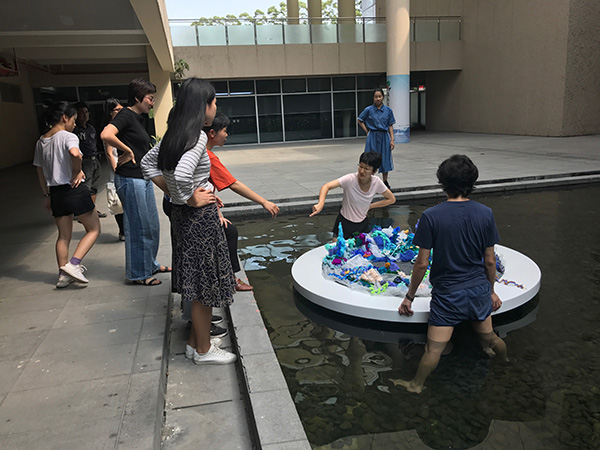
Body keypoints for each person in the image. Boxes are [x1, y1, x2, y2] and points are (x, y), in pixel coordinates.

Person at [141, 77, 237, 365]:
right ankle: (204, 351)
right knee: (205, 286)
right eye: (214, 102)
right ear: (203, 105)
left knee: (196, 283)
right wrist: (189, 198)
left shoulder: (175, 134)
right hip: (199, 219)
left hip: (184, 219)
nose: (215, 107)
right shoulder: (196, 138)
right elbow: (182, 175)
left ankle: (196, 344)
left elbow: (147, 163)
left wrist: (175, 195)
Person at [396, 154, 508, 393]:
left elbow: (421, 264)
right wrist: (491, 291)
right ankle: (506, 364)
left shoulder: (431, 216)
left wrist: (409, 296)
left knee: (434, 349)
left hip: (447, 295)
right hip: (478, 291)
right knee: (490, 339)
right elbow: (490, 261)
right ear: (472, 181)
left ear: (442, 182)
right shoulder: (485, 213)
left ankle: (416, 385)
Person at [100, 78, 171, 286]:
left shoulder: (140, 118)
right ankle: (139, 274)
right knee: (139, 228)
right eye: (150, 98)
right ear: (138, 97)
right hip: (130, 179)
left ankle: (150, 264)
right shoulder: (126, 114)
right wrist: (127, 151)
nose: (152, 102)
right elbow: (106, 134)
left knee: (152, 226)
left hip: (142, 178)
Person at [204, 113, 280, 291]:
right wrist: (264, 202)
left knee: (227, 230)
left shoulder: (200, 152)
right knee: (229, 232)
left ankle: (225, 276)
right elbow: (234, 184)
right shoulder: (208, 156)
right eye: (225, 130)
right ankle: (230, 279)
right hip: (194, 209)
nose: (227, 134)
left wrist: (216, 208)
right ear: (212, 133)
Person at [33, 101, 101, 288]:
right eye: (73, 119)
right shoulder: (67, 136)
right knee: (94, 229)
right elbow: (75, 154)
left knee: (63, 236)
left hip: (56, 192)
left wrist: (46, 195)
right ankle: (73, 264)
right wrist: (77, 171)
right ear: (64, 117)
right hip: (74, 189)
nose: (74, 123)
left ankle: (63, 276)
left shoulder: (41, 141)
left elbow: (39, 170)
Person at [310, 152, 396, 240]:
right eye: (361, 166)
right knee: (338, 247)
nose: (362, 171)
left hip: (362, 224)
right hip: (344, 223)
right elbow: (326, 186)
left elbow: (391, 199)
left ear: (374, 171)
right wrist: (321, 203)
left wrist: (370, 206)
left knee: (362, 247)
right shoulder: (350, 179)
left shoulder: (376, 182)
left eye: (366, 169)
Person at [357, 88, 396, 189]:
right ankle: (370, 181)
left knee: (385, 158)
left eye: (380, 96)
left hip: (384, 136)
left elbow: (390, 125)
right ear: (373, 98)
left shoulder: (388, 110)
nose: (378, 99)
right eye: (376, 97)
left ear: (383, 97)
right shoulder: (368, 110)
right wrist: (367, 131)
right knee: (370, 158)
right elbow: (360, 120)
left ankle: (385, 181)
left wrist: (392, 140)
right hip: (373, 136)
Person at [73, 101, 106, 218]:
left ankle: (92, 209)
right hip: (84, 161)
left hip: (95, 159)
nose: (84, 115)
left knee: (94, 187)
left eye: (86, 112)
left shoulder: (91, 128)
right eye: (81, 112)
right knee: (84, 187)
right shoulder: (74, 131)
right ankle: (82, 212)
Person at [102, 98, 125, 241]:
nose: (120, 112)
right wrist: (118, 172)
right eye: (117, 110)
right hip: (117, 172)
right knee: (117, 204)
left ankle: (126, 230)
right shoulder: (109, 130)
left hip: (125, 169)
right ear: (110, 112)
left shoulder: (121, 127)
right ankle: (122, 231)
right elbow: (110, 154)